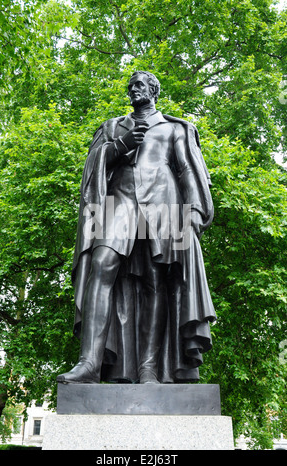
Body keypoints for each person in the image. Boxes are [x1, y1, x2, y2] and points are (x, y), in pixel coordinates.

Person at [57, 71, 216, 385]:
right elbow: (92, 169)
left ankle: (148, 369)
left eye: (139, 84)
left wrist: (196, 209)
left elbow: (186, 169)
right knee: (101, 265)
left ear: (153, 90)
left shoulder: (176, 128)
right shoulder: (113, 127)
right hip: (119, 201)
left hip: (165, 203)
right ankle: (89, 363)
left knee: (155, 281)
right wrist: (118, 146)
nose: (132, 89)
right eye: (130, 85)